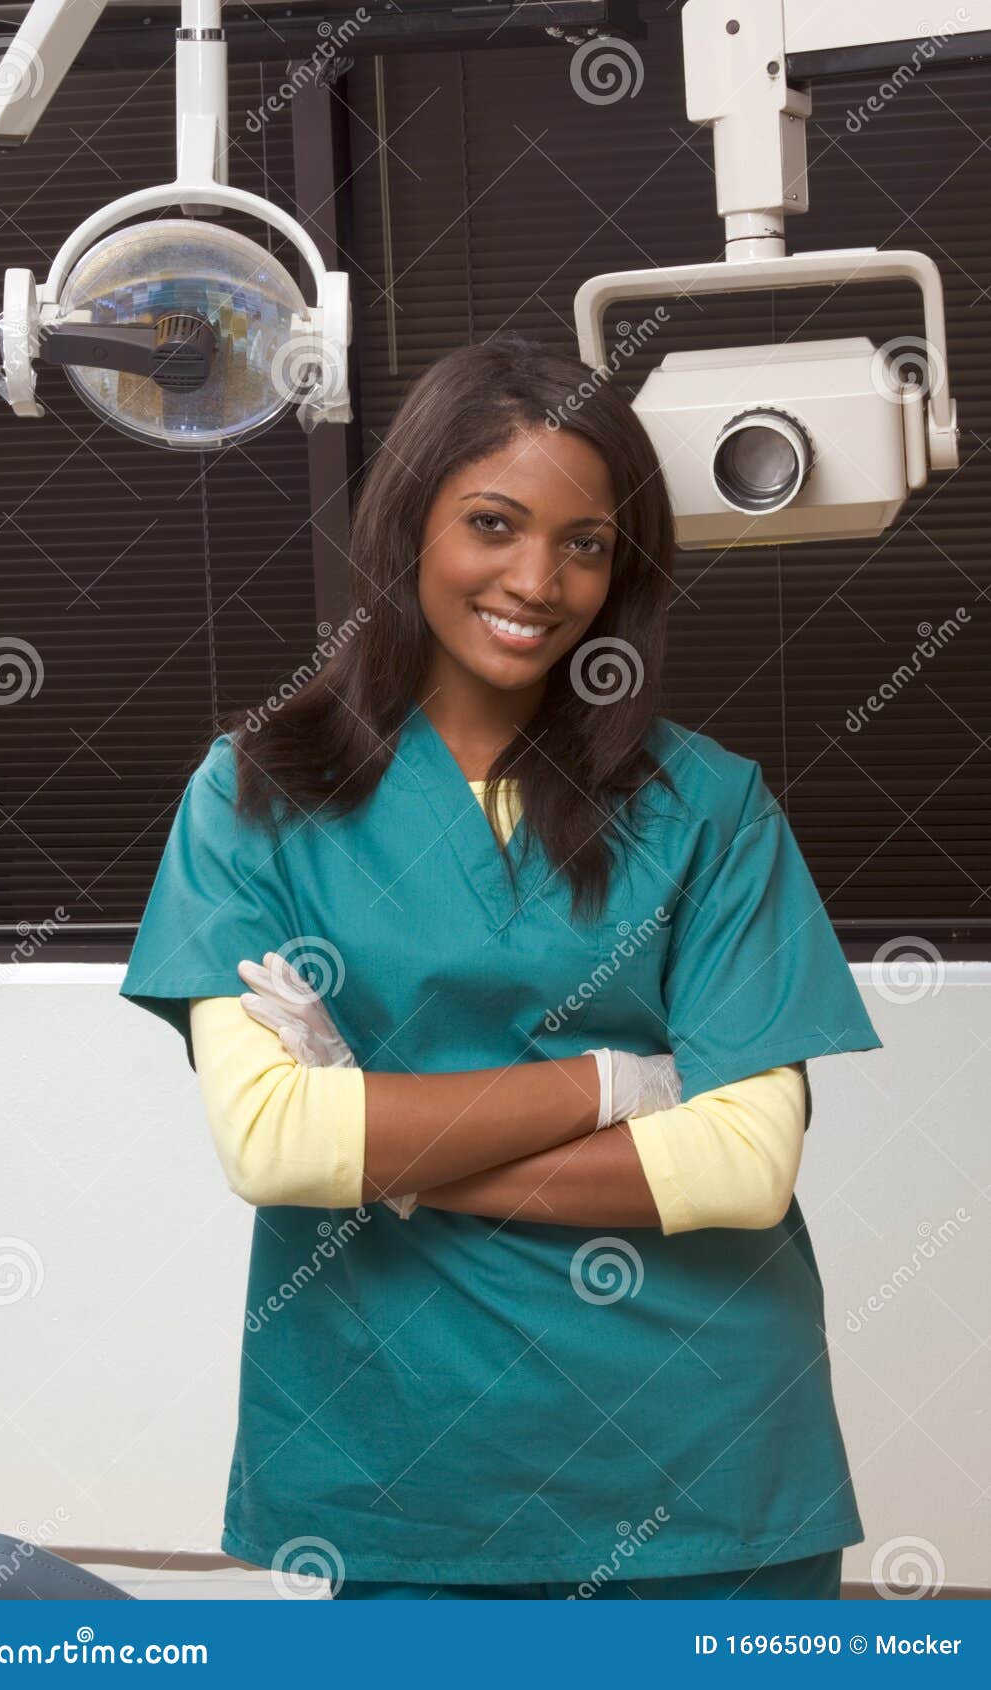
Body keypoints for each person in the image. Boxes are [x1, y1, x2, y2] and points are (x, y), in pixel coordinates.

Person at [119, 332, 882, 1600]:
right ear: (410, 521)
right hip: (407, 1457)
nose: (538, 579)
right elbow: (274, 1147)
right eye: (491, 522)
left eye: (585, 543)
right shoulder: (255, 795)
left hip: (702, 1459)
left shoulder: (706, 807)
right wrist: (620, 1083)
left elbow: (741, 1166)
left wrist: (393, 1158)